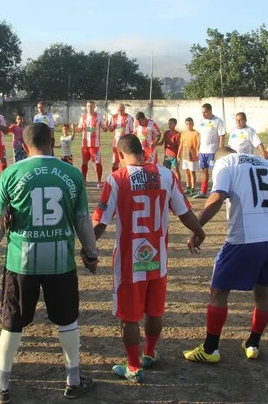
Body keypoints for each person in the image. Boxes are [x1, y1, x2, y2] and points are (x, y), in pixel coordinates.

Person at [0, 122, 99, 403]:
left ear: (24, 145)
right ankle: (73, 380)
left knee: (12, 320)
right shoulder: (72, 174)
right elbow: (82, 222)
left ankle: (1, 385)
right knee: (67, 319)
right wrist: (91, 253)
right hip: (60, 262)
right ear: (53, 140)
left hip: (21, 262)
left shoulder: (11, 174)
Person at [93, 135, 205, 382]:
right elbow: (184, 213)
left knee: (129, 318)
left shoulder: (117, 179)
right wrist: (199, 231)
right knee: (154, 312)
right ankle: (150, 353)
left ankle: (134, 367)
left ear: (120, 154)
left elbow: (100, 222)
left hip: (129, 263)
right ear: (144, 151)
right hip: (157, 257)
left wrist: (87, 247)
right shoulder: (166, 175)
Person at [183, 147, 268, 363]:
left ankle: (210, 348)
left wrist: (197, 227)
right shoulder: (267, 164)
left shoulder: (226, 163)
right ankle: (253, 344)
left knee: (218, 291)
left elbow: (217, 197)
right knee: (263, 293)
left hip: (243, 240)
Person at [197, 103, 226, 198]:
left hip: (213, 151)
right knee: (203, 170)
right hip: (202, 151)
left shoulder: (218, 121)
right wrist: (198, 148)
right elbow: (200, 136)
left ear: (210, 111)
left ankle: (216, 191)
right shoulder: (201, 121)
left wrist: (220, 150)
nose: (203, 114)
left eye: (205, 112)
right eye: (202, 112)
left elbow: (221, 136)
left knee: (216, 171)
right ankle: (203, 191)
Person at [78, 100, 106, 187]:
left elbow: (105, 129)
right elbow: (80, 128)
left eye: (91, 106)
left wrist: (107, 126)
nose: (89, 108)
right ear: (86, 107)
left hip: (95, 145)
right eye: (88, 106)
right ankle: (84, 180)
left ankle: (99, 181)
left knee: (98, 163)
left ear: (94, 107)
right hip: (85, 145)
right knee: (84, 163)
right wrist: (76, 128)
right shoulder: (83, 117)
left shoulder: (99, 117)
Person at [107, 103, 134, 172]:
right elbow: (111, 129)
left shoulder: (130, 118)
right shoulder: (114, 117)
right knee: (115, 163)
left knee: (126, 163)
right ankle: (115, 178)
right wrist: (107, 125)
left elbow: (131, 131)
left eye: (121, 110)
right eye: (118, 110)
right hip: (116, 144)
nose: (120, 112)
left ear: (124, 109)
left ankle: (126, 178)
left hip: (126, 144)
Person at [177, 118, 200, 194]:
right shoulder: (183, 133)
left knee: (192, 172)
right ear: (185, 125)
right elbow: (181, 144)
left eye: (190, 123)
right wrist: (178, 154)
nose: (189, 125)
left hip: (192, 155)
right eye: (187, 124)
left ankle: (193, 188)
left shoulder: (196, 133)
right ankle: (188, 187)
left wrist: (197, 153)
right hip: (185, 154)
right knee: (186, 171)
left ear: (193, 124)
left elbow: (198, 144)